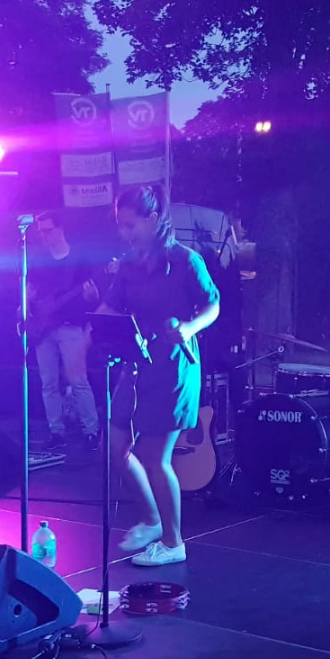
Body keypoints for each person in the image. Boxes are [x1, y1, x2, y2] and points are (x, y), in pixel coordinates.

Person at [96, 185, 220, 566]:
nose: (124, 233)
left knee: (154, 457)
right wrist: (92, 329)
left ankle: (173, 542)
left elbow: (213, 305)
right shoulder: (130, 265)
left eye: (130, 225)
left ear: (152, 219)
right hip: (136, 365)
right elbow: (110, 307)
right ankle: (152, 521)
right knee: (114, 448)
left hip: (174, 368)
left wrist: (189, 327)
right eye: (120, 225)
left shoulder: (186, 261)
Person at [24, 210, 101, 451]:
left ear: (60, 229)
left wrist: (92, 296)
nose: (44, 236)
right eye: (41, 232)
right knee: (48, 383)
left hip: (70, 327)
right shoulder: (38, 259)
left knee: (79, 381)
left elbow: (92, 299)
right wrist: (26, 303)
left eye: (48, 230)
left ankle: (91, 430)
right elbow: (30, 290)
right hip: (43, 329)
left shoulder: (79, 260)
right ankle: (56, 432)